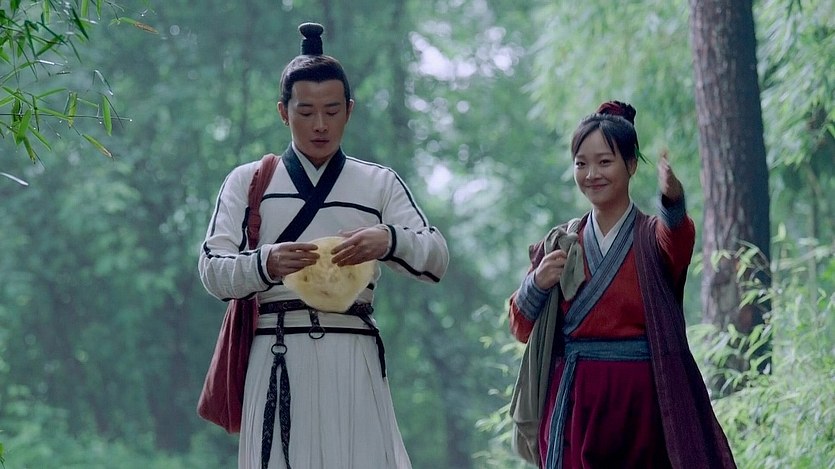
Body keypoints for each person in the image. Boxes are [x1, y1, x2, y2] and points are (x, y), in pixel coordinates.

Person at [199, 22, 448, 469]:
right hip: (276, 352)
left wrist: (387, 240)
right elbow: (213, 269)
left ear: (349, 110)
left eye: (332, 111)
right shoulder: (248, 181)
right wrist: (266, 263)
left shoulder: (378, 182)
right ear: (283, 112)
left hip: (354, 352)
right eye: (306, 111)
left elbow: (436, 258)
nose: (320, 125)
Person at [507, 101, 736, 468]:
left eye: (604, 162)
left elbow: (677, 237)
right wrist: (537, 282)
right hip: (574, 403)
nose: (591, 174)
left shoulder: (652, 237)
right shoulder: (560, 243)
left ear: (631, 165)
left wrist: (673, 200)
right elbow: (520, 327)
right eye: (581, 163)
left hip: (641, 406)